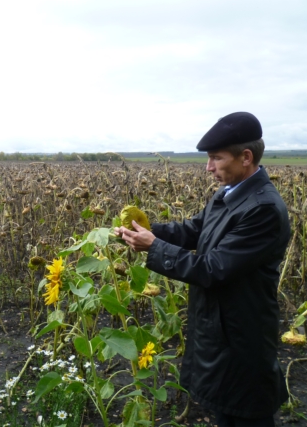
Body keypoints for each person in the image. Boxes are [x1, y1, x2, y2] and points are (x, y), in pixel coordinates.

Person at [115, 112, 290, 427]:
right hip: (221, 330)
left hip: (241, 338)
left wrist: (153, 246)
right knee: (227, 411)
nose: (208, 168)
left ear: (245, 157)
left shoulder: (262, 209)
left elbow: (213, 268)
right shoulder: (229, 195)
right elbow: (193, 231)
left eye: (215, 158)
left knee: (245, 414)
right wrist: (144, 229)